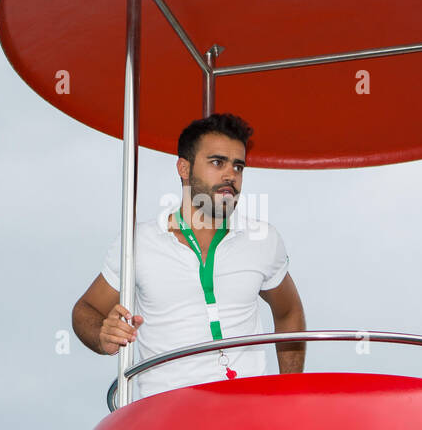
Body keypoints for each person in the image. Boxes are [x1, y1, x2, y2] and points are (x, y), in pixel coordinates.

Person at [71, 113, 306, 400]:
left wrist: (290, 394)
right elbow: (85, 310)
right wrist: (101, 336)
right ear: (184, 167)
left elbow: (289, 312)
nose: (230, 175)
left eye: (239, 166)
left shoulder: (264, 239)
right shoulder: (139, 241)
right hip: (167, 412)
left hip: (245, 411)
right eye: (217, 162)